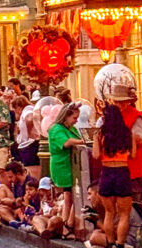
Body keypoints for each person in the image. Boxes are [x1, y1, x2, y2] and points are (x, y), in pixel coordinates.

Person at [94, 103, 134, 248]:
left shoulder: (100, 134)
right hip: (122, 172)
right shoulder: (127, 133)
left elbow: (96, 155)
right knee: (124, 214)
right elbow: (133, 154)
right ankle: (120, 244)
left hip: (107, 172)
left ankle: (110, 243)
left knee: (109, 212)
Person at [106, 83, 142, 197]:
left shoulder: (135, 116)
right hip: (122, 167)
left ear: (128, 101)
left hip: (137, 168)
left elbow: (140, 138)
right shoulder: (115, 115)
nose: (118, 104)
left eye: (121, 101)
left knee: (134, 200)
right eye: (116, 101)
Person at [48, 102, 84, 237]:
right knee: (69, 195)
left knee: (72, 195)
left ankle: (68, 223)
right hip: (62, 166)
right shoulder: (56, 129)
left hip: (72, 165)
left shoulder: (71, 128)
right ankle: (65, 224)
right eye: (74, 118)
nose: (76, 121)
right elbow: (66, 143)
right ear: (66, 116)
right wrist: (82, 142)